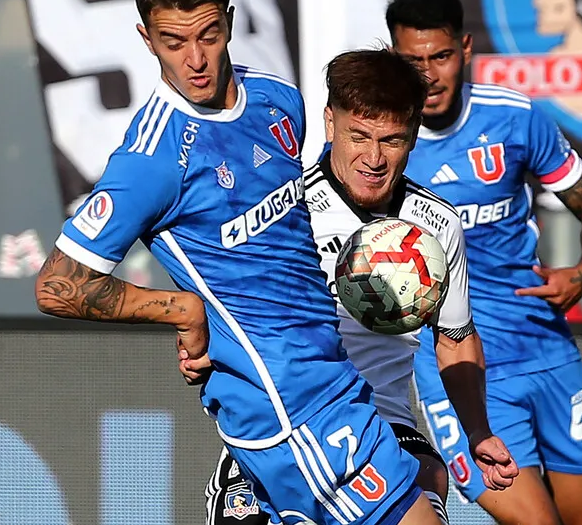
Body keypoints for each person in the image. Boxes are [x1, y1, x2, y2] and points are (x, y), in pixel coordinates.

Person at [33, 0, 506, 525]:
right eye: (173, 42)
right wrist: (182, 311)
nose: (195, 60)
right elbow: (57, 286)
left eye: (208, 35)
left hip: (334, 380)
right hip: (289, 409)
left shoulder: (278, 102)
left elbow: (281, 251)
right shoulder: (151, 160)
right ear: (146, 39)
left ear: (230, 22)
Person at [181, 49, 518, 525]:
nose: (374, 158)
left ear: (413, 135)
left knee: (428, 478)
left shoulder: (438, 225)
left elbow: (456, 338)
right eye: (359, 136)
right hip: (288, 426)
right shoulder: (282, 211)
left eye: (391, 140)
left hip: (385, 426)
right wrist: (200, 344)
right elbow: (223, 306)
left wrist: (478, 431)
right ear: (329, 124)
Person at [386, 0, 582, 525]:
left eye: (441, 56)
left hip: (546, 350)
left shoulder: (515, 118)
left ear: (465, 48)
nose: (428, 76)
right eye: (412, 61)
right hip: (457, 369)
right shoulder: (379, 143)